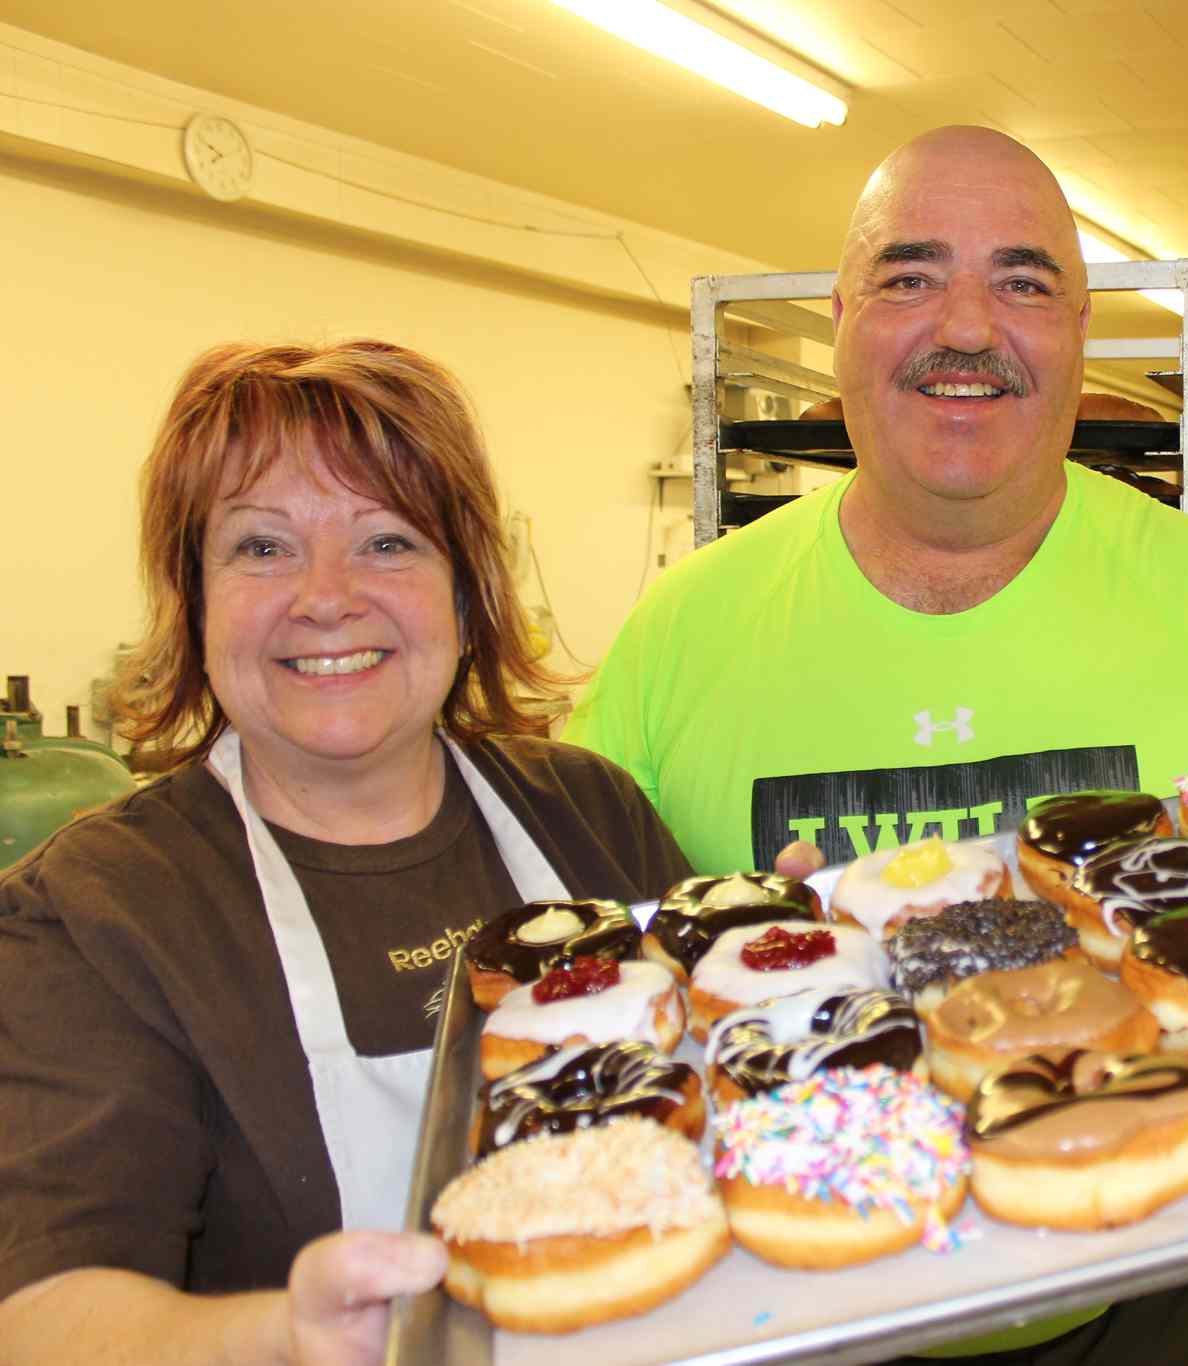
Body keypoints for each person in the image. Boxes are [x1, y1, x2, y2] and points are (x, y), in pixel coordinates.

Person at [565, 126, 1188, 1363]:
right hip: (791, 1301)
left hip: (1149, 1291)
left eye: (1022, 282)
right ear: (839, 321)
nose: (965, 325)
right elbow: (576, 963)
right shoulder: (681, 625)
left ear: (1079, 333)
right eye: (907, 277)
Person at [0, 341, 693, 1364]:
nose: (326, 597)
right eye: (262, 547)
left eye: (386, 541)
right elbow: (41, 1316)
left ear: (466, 591)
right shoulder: (101, 910)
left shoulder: (586, 810)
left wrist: (801, 975)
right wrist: (282, 1337)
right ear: (194, 599)